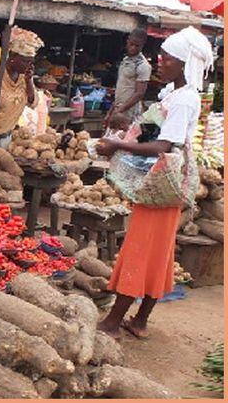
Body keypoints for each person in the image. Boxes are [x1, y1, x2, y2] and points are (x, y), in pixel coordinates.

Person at [95, 26, 213, 339]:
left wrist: (118, 146)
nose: (160, 62)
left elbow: (163, 147)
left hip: (162, 186)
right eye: (161, 56)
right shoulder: (174, 95)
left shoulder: (185, 99)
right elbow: (156, 136)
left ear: (185, 64)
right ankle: (140, 321)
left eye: (168, 59)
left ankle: (112, 323)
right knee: (158, 252)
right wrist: (127, 130)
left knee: (141, 249)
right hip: (161, 185)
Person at [105, 28, 152, 125]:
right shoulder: (125, 61)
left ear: (142, 45)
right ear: (127, 41)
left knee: (125, 138)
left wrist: (120, 110)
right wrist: (110, 111)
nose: (133, 48)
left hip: (130, 113)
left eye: (137, 46)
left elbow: (139, 93)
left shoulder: (143, 65)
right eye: (131, 44)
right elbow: (121, 89)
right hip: (118, 108)